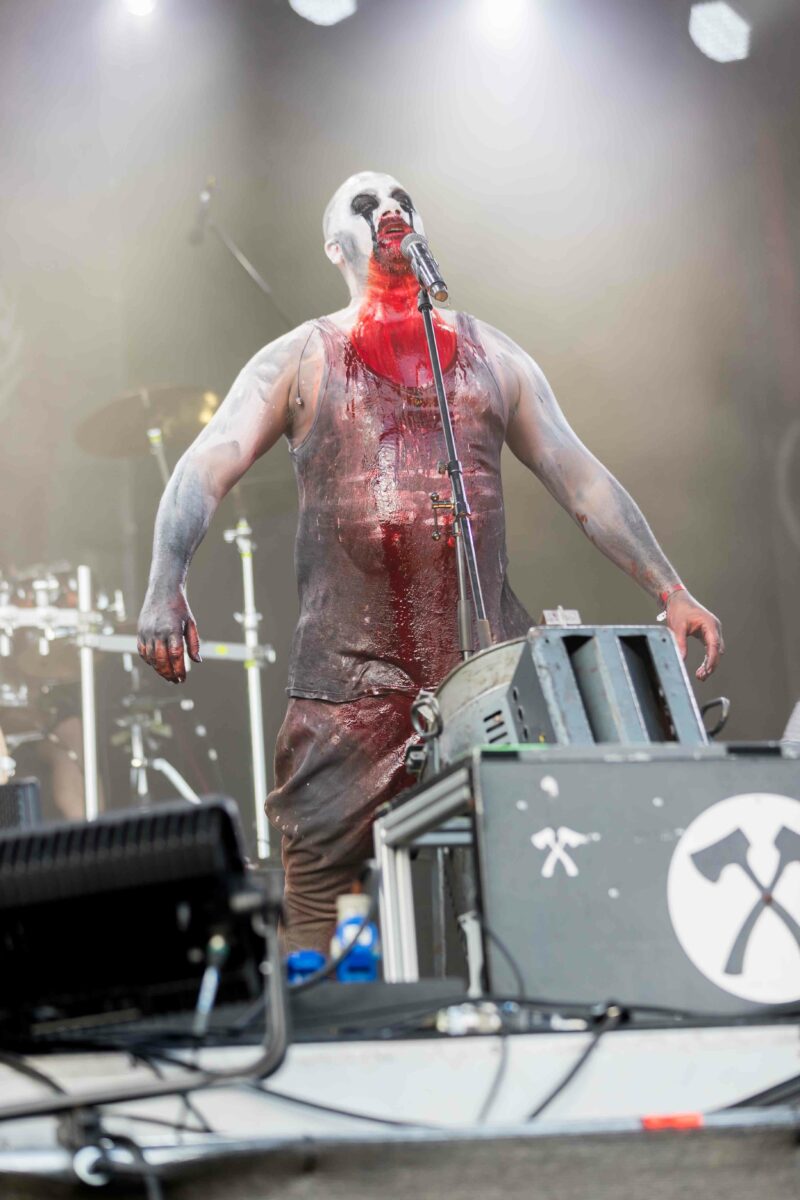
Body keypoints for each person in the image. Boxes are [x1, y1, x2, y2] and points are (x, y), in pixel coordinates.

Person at [137, 171, 723, 952]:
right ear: (335, 246)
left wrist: (669, 587)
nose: (389, 208)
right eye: (365, 203)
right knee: (318, 901)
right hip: (346, 687)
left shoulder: (492, 356)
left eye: (400, 199)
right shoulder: (302, 356)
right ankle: (319, 1009)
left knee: (523, 876)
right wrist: (165, 585)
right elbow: (204, 465)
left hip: (482, 673)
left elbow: (580, 478)